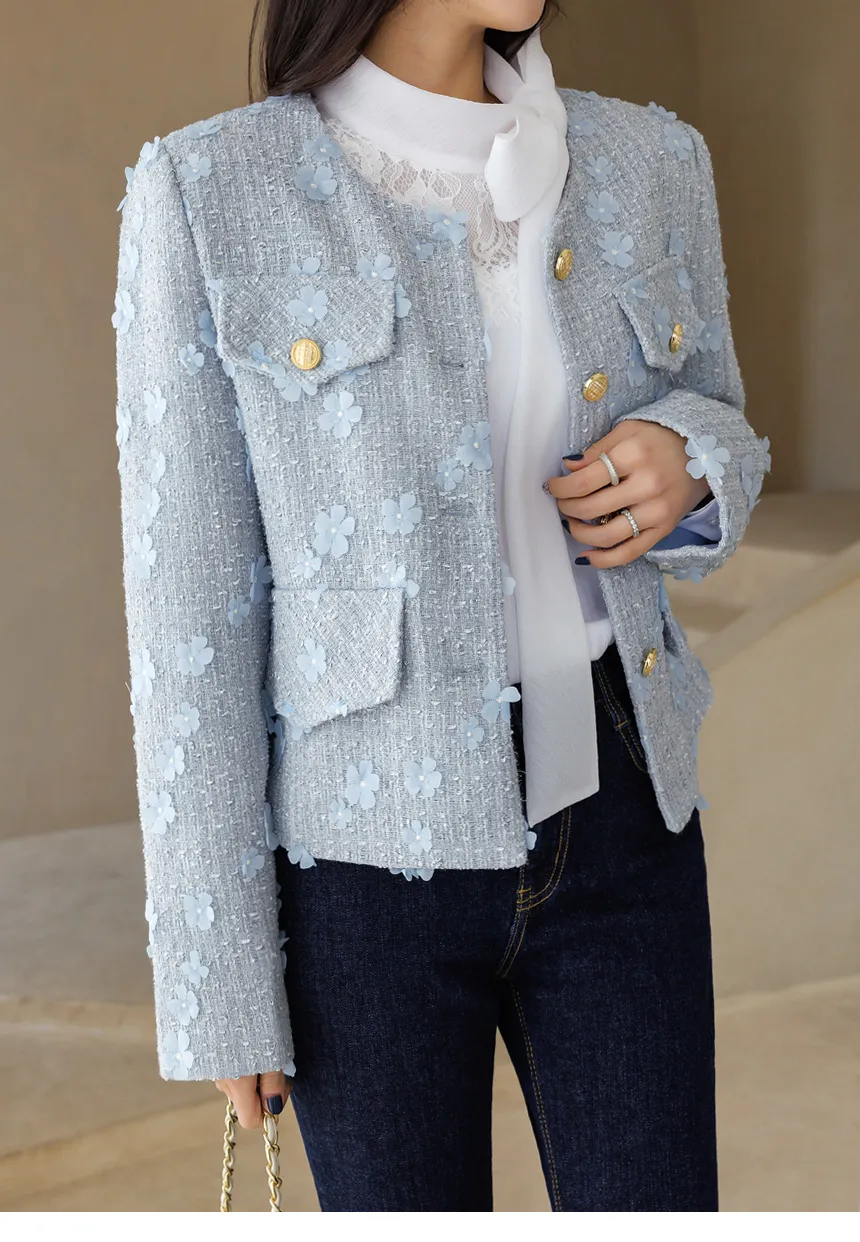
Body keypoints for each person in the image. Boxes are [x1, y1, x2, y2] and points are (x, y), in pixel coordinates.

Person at [113, 0, 770, 1212]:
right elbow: (190, 617)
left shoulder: (649, 159)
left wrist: (689, 461)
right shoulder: (211, 189)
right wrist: (217, 975)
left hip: (623, 811)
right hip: (362, 865)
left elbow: (720, 420)